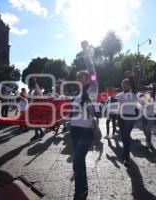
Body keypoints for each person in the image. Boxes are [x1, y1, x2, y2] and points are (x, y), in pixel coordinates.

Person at [70, 40, 98, 200]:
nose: (78, 79)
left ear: (88, 80)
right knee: (80, 163)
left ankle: (78, 194)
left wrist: (86, 51)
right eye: (78, 77)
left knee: (76, 161)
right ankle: (84, 188)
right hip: (74, 130)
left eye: (81, 77)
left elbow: (93, 73)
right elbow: (75, 114)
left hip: (86, 132)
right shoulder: (76, 95)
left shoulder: (92, 90)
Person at [117, 71, 137, 166]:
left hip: (130, 116)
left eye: (125, 84)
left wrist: (131, 78)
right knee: (124, 136)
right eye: (123, 84)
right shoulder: (120, 94)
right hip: (120, 117)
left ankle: (126, 157)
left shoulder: (133, 93)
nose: (124, 86)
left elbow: (134, 87)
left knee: (125, 135)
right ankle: (126, 152)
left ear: (129, 85)